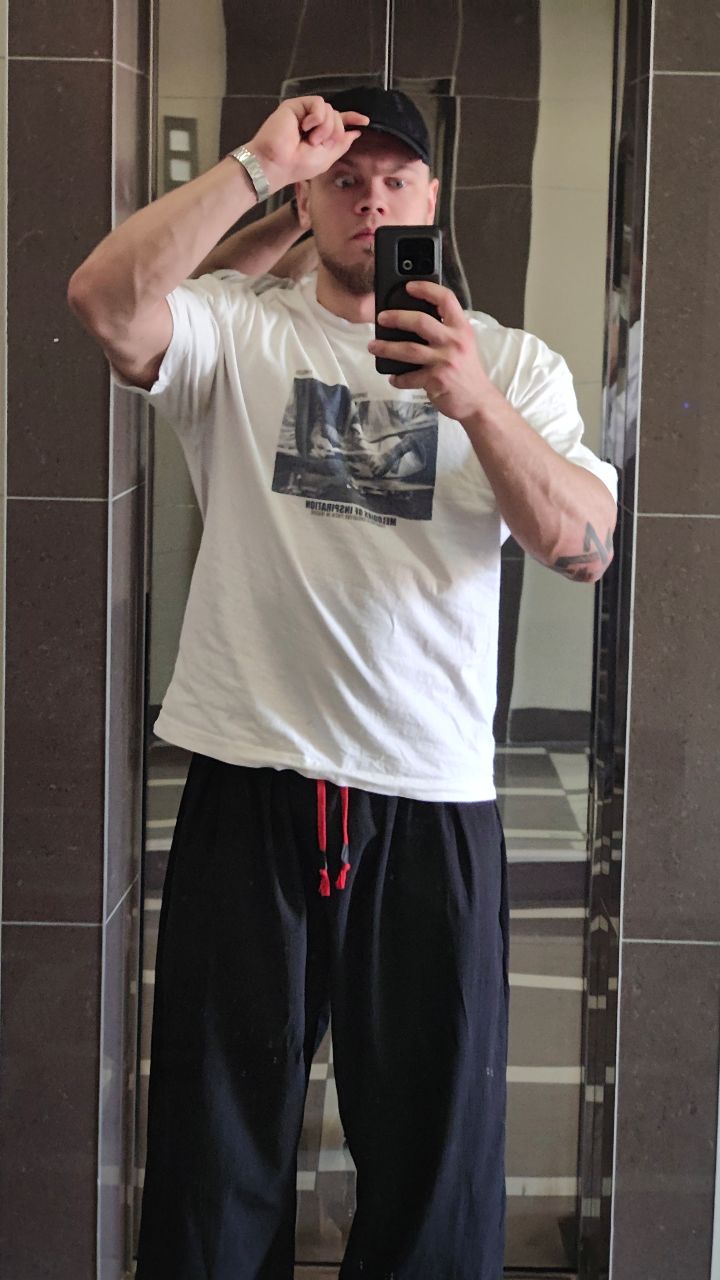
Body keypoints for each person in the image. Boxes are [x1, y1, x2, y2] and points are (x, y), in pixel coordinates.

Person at [68, 86, 618, 1280]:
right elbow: (105, 300)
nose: (373, 199)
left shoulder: (514, 364)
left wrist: (473, 403)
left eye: (396, 180)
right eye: (346, 180)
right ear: (306, 199)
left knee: (434, 1168)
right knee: (216, 1159)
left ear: (434, 198)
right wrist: (257, 168)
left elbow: (584, 546)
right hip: (251, 781)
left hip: (429, 800)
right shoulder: (238, 330)